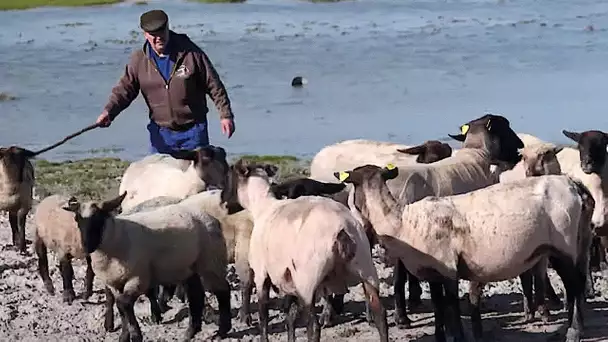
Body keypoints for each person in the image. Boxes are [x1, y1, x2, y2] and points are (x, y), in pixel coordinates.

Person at [96, 9, 235, 154]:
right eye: (153, 35)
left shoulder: (191, 53)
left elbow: (214, 85)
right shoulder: (139, 60)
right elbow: (124, 90)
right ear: (145, 34)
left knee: (196, 176)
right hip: (161, 132)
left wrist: (226, 116)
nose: (158, 38)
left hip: (194, 130)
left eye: (161, 32)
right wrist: (108, 112)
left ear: (168, 28)